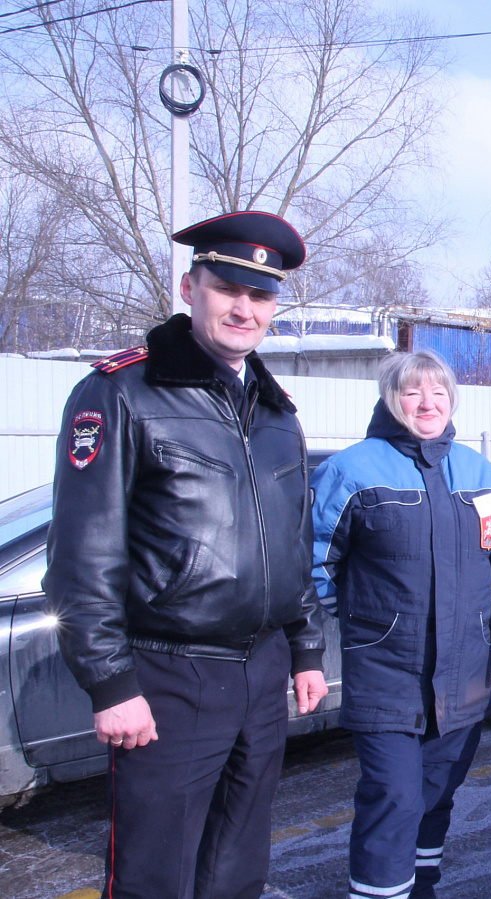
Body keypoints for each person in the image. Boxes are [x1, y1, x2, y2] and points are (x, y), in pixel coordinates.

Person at [43, 211, 329, 898]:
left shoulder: (275, 411)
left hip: (260, 675)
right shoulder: (120, 393)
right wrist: (111, 684)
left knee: (236, 870)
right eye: (226, 286)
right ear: (189, 285)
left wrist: (306, 647)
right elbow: (83, 556)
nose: (243, 307)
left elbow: (291, 540)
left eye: (261, 295)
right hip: (168, 675)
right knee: (155, 876)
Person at [310, 350, 491, 899]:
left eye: (438, 392)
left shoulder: (482, 476)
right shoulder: (352, 470)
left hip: (462, 676)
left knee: (438, 792)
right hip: (388, 674)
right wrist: (362, 623)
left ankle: (421, 887)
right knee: (394, 796)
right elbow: (315, 565)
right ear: (391, 399)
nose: (427, 403)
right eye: (412, 392)